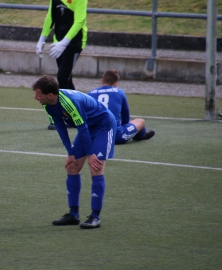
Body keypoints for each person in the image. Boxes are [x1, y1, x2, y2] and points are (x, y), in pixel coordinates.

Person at [32, 75, 116, 229]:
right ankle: (73, 214)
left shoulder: (69, 102)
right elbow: (60, 126)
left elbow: (82, 128)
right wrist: (70, 153)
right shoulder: (47, 104)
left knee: (95, 167)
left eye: (38, 94)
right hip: (87, 128)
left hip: (103, 126)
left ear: (49, 95)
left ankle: (95, 217)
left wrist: (90, 155)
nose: (35, 98)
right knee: (72, 166)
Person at [35, 0, 88, 130]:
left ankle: (65, 114)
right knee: (67, 79)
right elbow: (50, 17)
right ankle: (78, 112)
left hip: (75, 42)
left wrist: (65, 42)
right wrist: (42, 39)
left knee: (63, 77)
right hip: (58, 41)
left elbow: (79, 21)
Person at [87, 70, 155, 144]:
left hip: (93, 136)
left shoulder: (89, 94)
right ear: (116, 84)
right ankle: (141, 135)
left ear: (101, 80)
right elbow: (125, 119)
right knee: (140, 121)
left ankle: (139, 133)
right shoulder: (119, 92)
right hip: (115, 136)